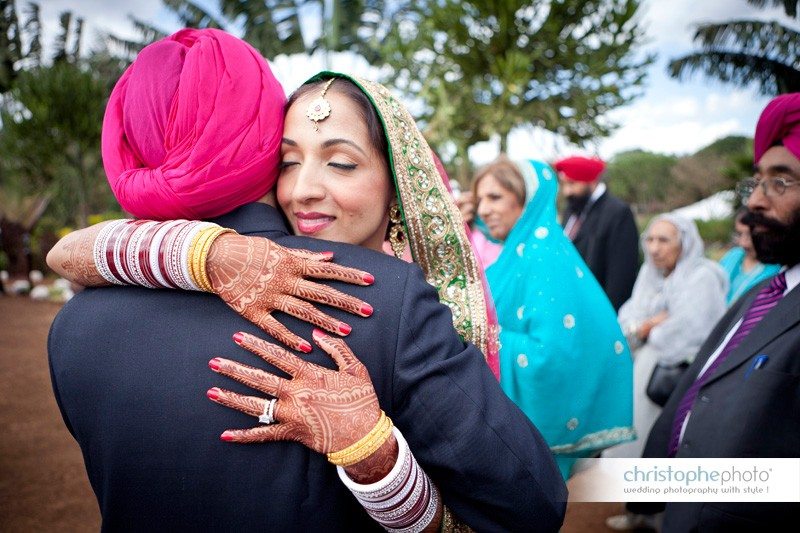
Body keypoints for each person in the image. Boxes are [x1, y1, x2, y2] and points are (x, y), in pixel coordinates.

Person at [47, 29, 565, 531]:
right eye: (288, 161)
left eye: (341, 162)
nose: (304, 190)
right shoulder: (384, 301)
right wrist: (377, 461)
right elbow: (529, 504)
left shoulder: (74, 324)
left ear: (400, 180)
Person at [611, 93, 800, 532]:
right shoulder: (762, 296)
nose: (754, 201)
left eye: (781, 181)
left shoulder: (710, 280)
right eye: (757, 182)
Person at [472, 155, 635, 480]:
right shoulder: (520, 252)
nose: (483, 210)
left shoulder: (542, 257)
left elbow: (549, 355)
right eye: (480, 199)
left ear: (527, 200)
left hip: (533, 435)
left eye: (495, 197)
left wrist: (478, 333)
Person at [604, 213, 728, 464]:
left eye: (663, 240)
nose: (654, 248)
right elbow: (626, 320)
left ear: (684, 243)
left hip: (677, 375)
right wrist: (649, 324)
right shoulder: (650, 274)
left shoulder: (702, 277)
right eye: (649, 240)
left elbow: (687, 332)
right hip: (638, 369)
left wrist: (646, 330)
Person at [555, 155, 639, 311]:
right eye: (563, 184)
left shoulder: (617, 213)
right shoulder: (572, 209)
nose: (567, 191)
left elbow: (621, 277)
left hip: (599, 310)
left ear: (591, 181)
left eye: (572, 184)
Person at [719, 207, 781, 305]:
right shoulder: (733, 255)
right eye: (739, 234)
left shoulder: (777, 269)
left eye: (751, 235)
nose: (743, 243)